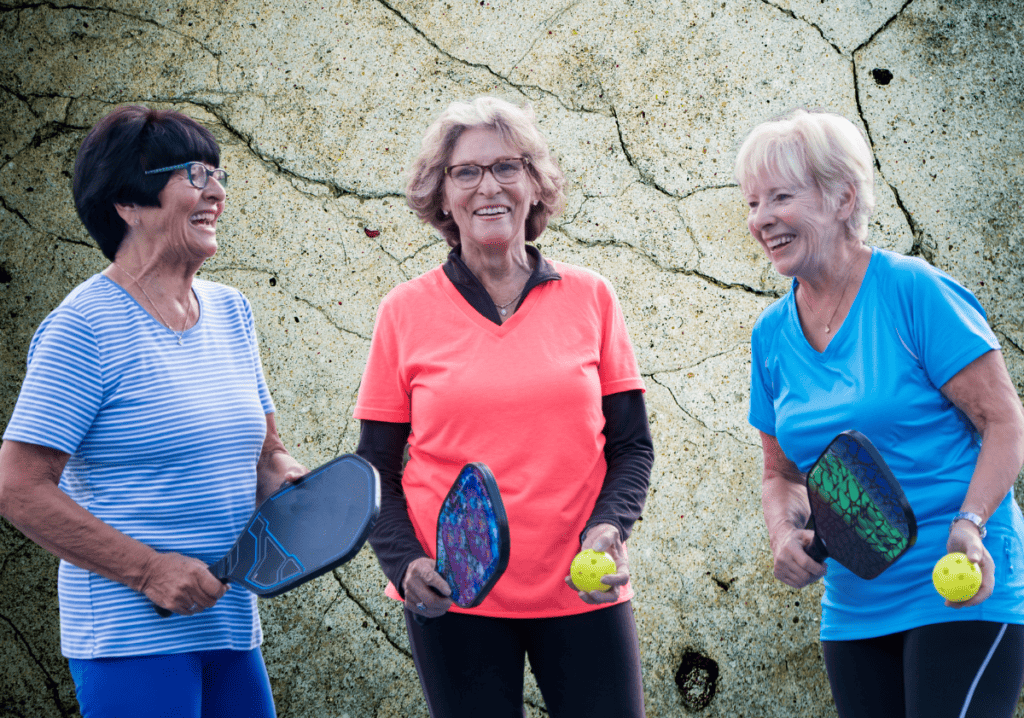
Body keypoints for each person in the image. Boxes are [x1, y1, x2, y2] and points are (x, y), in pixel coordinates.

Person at [0, 106, 307, 718]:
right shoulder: (82, 329)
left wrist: (290, 485)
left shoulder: (231, 311)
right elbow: (18, 487)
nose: (217, 192)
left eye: (219, 175)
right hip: (130, 638)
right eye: (195, 174)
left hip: (228, 627)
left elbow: (265, 452)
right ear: (127, 203)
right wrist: (146, 571)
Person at [353, 96, 654, 718]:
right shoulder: (403, 312)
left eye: (507, 167)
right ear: (441, 195)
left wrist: (609, 528)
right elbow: (375, 468)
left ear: (534, 187)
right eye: (466, 171)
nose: (488, 186)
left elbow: (631, 446)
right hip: (455, 598)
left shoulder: (592, 297)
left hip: (581, 589)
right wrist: (408, 566)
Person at [737, 107, 1024, 718]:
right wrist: (785, 533)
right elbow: (782, 472)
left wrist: (970, 523)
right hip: (854, 606)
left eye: (780, 197)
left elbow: (1004, 422)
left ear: (843, 197)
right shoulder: (770, 337)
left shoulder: (913, 291)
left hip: (960, 586)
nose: (761, 220)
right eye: (753, 203)